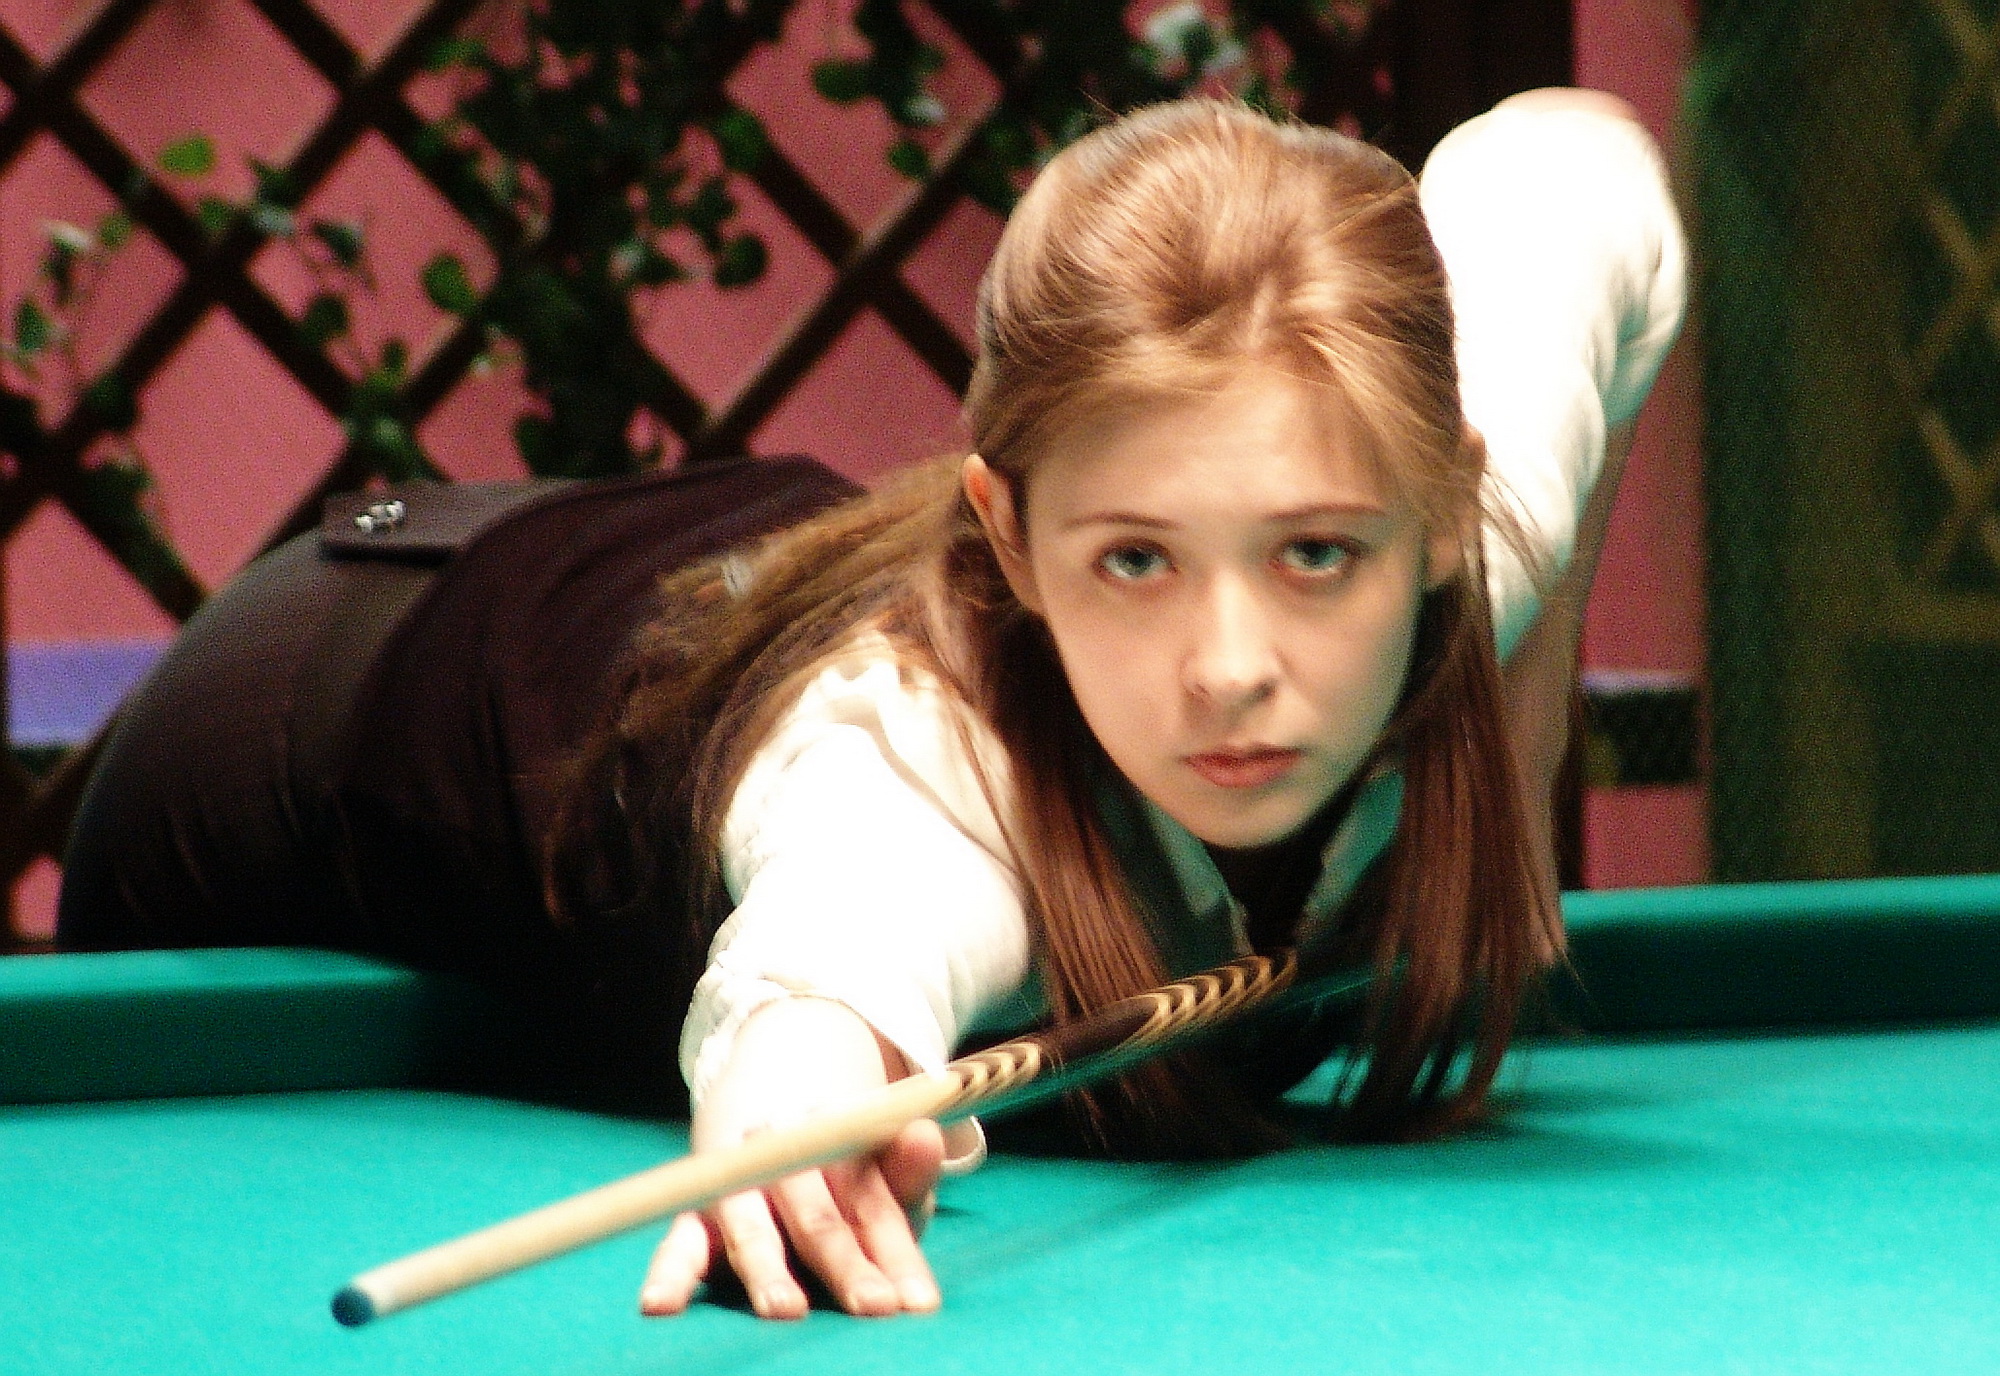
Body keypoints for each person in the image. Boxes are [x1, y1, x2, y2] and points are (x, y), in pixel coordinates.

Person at [58, 91, 1684, 1322]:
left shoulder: (1487, 520)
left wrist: (1516, 687)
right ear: (1011, 538)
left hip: (647, 604)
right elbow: (840, 941)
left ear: (1445, 508)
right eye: (1134, 560)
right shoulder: (915, 757)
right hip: (301, 717)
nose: (1230, 664)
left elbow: (1581, 159)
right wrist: (799, 1079)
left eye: (1316, 554)